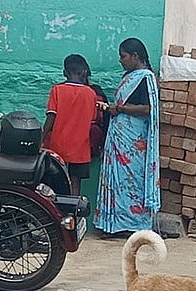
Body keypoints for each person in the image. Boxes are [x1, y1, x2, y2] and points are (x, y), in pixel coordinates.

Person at [94, 37, 160, 236]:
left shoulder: (146, 78)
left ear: (135, 56)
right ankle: (114, 224)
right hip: (119, 137)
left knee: (132, 180)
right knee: (116, 180)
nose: (120, 60)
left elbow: (148, 108)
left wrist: (120, 108)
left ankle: (134, 224)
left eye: (123, 56)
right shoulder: (129, 77)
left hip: (134, 141)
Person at [42, 54, 102, 194]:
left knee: (55, 180)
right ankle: (74, 206)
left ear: (65, 72)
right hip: (81, 148)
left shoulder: (57, 90)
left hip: (58, 146)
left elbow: (51, 116)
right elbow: (93, 119)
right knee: (76, 183)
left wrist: (42, 138)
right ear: (84, 72)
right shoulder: (91, 93)